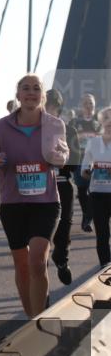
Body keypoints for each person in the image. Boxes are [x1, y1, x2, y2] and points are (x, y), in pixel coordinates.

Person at [0, 74, 69, 318]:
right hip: (13, 203)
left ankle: (40, 322)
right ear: (17, 95)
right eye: (25, 88)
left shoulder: (54, 125)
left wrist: (58, 157)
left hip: (46, 202)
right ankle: (31, 321)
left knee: (37, 262)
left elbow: (63, 154)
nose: (31, 93)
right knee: (22, 264)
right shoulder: (1, 127)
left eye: (36, 88)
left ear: (42, 95)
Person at [46, 89, 79, 285]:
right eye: (45, 107)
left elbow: (75, 164)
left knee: (62, 231)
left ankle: (61, 260)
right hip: (40, 187)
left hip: (63, 185)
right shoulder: (33, 132)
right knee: (40, 236)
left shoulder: (70, 131)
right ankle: (41, 280)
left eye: (51, 107)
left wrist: (59, 158)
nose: (48, 111)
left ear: (58, 108)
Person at [82, 107, 111, 266]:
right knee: (102, 233)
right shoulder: (93, 143)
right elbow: (84, 169)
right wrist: (87, 171)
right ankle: (105, 266)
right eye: (106, 118)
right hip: (98, 194)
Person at [71, 94, 101, 232]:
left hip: (96, 162)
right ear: (81, 106)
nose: (89, 106)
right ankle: (86, 217)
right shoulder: (75, 123)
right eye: (86, 103)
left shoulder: (99, 124)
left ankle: (89, 217)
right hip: (79, 159)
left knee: (94, 190)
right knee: (82, 190)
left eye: (91, 103)